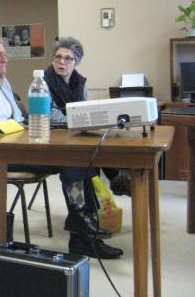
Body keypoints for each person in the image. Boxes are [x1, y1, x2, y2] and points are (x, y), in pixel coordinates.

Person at [0, 35, 123, 259]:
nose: (6, 59)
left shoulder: (2, 83)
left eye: (5, 54)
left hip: (15, 147)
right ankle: (83, 230)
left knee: (80, 156)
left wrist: (13, 126)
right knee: (71, 158)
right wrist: (14, 126)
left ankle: (83, 230)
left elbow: (17, 117)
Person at [44, 37, 131, 196]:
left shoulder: (80, 82)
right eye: (58, 57)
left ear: (76, 62)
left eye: (68, 58)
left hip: (75, 133)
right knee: (84, 159)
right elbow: (49, 116)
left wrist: (82, 122)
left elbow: (86, 110)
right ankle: (86, 205)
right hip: (54, 137)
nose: (61, 62)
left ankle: (93, 206)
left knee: (99, 143)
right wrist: (77, 122)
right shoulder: (43, 82)